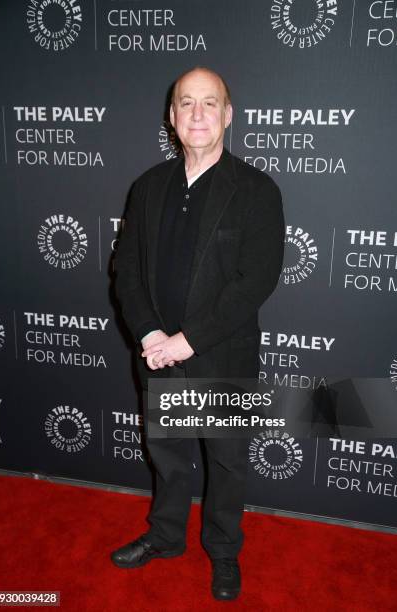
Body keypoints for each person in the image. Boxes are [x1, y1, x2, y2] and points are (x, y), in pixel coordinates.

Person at [112, 66, 285, 600]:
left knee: (227, 464)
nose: (198, 114)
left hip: (223, 358)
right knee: (165, 457)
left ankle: (225, 553)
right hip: (159, 356)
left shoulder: (256, 190)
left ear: (228, 115)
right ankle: (165, 537)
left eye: (210, 103)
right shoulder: (147, 187)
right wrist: (147, 336)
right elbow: (127, 270)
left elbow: (254, 281)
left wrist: (186, 339)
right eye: (187, 103)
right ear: (172, 117)